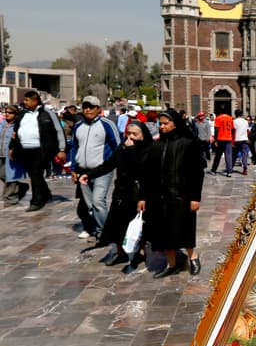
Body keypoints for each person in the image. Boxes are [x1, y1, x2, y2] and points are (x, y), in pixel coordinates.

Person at [138, 109, 204, 278]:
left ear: (175, 124)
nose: (162, 127)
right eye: (160, 123)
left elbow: (196, 172)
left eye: (166, 123)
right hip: (160, 197)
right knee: (164, 232)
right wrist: (143, 196)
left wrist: (195, 197)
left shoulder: (187, 144)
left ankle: (193, 256)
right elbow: (147, 174)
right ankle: (172, 263)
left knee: (184, 229)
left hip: (182, 196)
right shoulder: (156, 146)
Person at [83, 119, 149, 270]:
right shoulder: (122, 148)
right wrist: (90, 174)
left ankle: (140, 252)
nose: (130, 137)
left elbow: (140, 170)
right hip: (122, 191)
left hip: (139, 192)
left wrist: (143, 197)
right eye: (128, 134)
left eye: (135, 134)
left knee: (138, 225)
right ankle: (120, 252)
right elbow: (109, 164)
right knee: (117, 223)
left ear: (143, 135)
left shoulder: (147, 149)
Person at [70, 96, 120, 243]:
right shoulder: (78, 126)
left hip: (102, 169)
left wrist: (117, 165)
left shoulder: (107, 124)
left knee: (98, 201)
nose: (88, 110)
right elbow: (74, 147)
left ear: (98, 109)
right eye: (85, 106)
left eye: (91, 107)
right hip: (83, 171)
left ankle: (106, 233)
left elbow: (117, 146)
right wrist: (73, 168)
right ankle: (97, 230)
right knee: (90, 204)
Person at [11, 91, 66, 212]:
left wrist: (61, 149)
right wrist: (12, 148)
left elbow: (59, 131)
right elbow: (15, 132)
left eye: (27, 100)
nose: (24, 102)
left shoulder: (48, 113)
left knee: (36, 174)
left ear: (35, 101)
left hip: (42, 150)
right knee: (33, 174)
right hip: (25, 150)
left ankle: (37, 200)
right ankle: (45, 192)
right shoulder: (22, 114)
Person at [0, 106, 29, 205]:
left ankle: (11, 198)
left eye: (10, 112)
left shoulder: (18, 125)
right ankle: (20, 187)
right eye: (6, 112)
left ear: (16, 114)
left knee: (11, 176)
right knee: (1, 174)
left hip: (11, 154)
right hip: (0, 152)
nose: (7, 114)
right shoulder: (2, 123)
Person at [232, 109, 251, 175]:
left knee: (234, 155)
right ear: (241, 114)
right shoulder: (246, 121)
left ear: (235, 114)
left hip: (237, 140)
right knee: (244, 155)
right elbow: (248, 131)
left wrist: (232, 142)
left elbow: (233, 132)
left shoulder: (234, 121)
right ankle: (245, 169)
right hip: (244, 140)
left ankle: (230, 167)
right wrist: (247, 138)